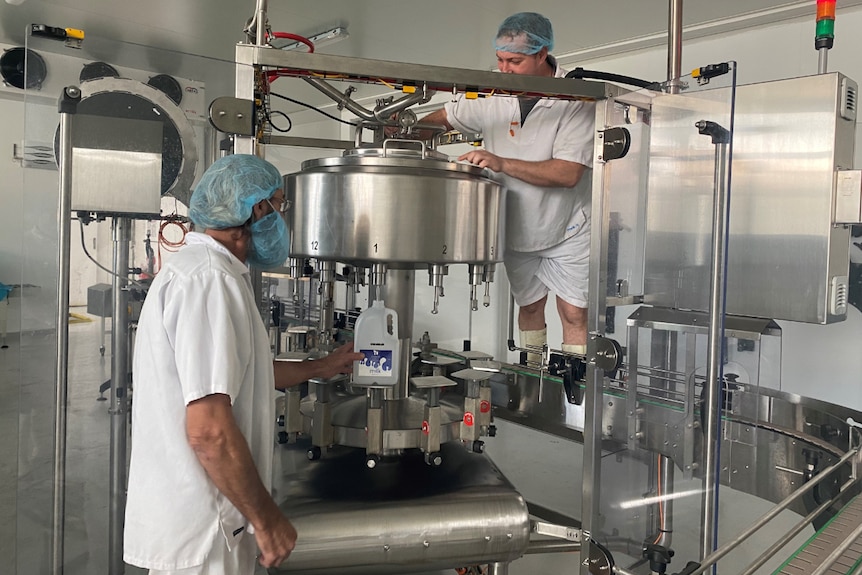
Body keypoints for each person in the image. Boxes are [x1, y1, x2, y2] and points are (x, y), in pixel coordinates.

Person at [124, 154, 364, 574]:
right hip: (206, 526)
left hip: (207, 517)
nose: (281, 217)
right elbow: (209, 431)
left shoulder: (206, 272)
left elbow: (242, 376)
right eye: (279, 204)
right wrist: (266, 519)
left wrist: (318, 367)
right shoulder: (208, 281)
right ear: (256, 209)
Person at [418, 12, 595, 360]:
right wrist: (407, 130)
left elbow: (567, 173)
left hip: (568, 227)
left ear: (542, 54)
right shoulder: (492, 93)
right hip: (515, 227)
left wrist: (501, 163)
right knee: (529, 308)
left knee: (574, 313)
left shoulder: (576, 98)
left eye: (515, 61)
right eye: (500, 59)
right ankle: (533, 379)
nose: (505, 69)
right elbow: (446, 117)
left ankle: (575, 389)